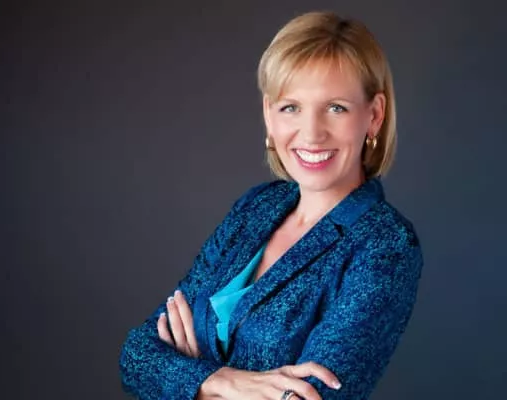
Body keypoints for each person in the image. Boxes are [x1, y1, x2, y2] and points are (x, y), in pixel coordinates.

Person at [119, 10, 423, 400]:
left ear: (374, 115)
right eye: (290, 107)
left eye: (336, 108)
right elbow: (137, 356)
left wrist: (188, 380)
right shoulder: (257, 207)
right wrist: (222, 380)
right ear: (268, 114)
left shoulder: (385, 245)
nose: (311, 134)